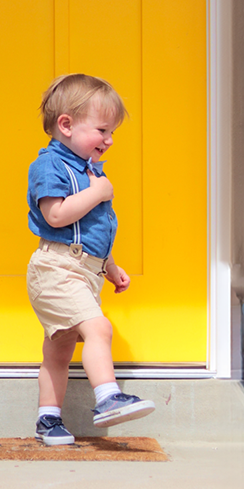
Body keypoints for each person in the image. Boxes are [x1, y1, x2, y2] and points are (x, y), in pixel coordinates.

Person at [26, 73, 155, 446]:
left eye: (111, 131)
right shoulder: (50, 165)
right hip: (57, 268)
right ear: (65, 125)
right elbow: (56, 216)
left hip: (85, 268)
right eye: (102, 130)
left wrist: (110, 266)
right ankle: (108, 398)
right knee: (99, 329)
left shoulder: (89, 170)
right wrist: (98, 192)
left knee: (59, 350)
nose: (109, 140)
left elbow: (95, 227)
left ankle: (47, 420)